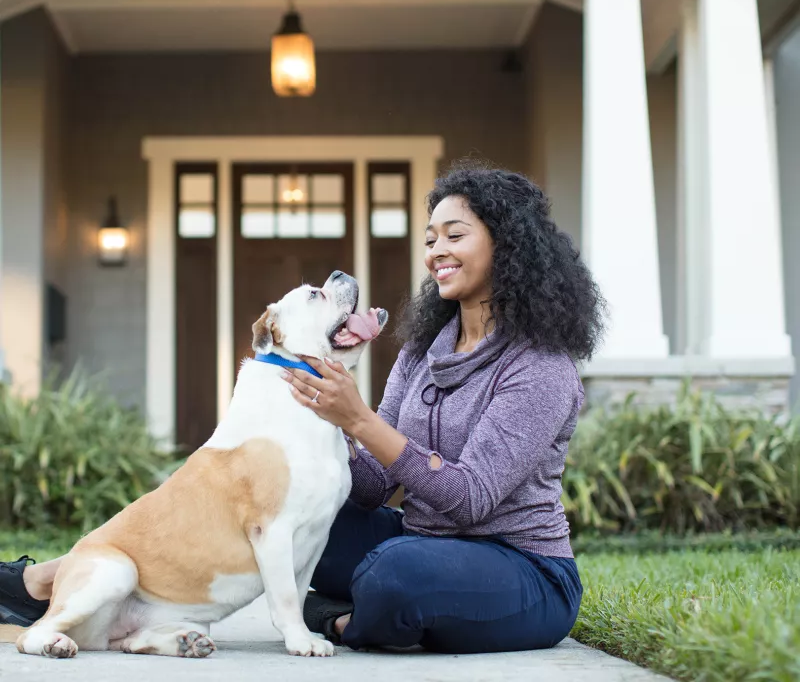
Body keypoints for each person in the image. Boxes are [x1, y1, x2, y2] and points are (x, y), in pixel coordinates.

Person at [0, 165, 605, 654]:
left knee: (394, 576)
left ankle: (335, 617)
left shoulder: (539, 367)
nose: (435, 252)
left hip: (520, 567)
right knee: (289, 511)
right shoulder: (423, 350)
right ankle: (63, 575)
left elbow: (472, 497)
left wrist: (358, 420)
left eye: (454, 235)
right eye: (429, 239)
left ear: (509, 246)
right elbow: (366, 487)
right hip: (421, 540)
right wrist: (304, 430)